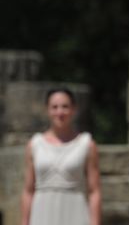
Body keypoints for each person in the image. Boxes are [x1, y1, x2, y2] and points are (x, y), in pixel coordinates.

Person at [20, 88, 101, 225]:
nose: (60, 112)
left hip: (76, 213)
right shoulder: (35, 144)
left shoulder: (86, 144)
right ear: (47, 110)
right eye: (54, 107)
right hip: (41, 214)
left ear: (74, 109)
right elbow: (28, 190)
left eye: (65, 106)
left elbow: (94, 191)